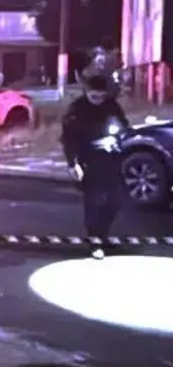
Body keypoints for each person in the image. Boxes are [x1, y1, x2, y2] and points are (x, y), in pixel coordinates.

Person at [60, 73, 131, 258]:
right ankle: (95, 241)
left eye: (101, 96)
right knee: (94, 203)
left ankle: (103, 234)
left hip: (112, 159)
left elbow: (124, 125)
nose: (98, 100)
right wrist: (72, 163)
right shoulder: (77, 109)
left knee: (115, 201)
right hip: (89, 160)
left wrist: (119, 135)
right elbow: (69, 139)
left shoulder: (111, 106)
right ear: (87, 92)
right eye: (94, 96)